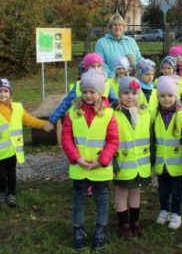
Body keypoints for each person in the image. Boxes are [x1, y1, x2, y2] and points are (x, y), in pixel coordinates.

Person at [61, 70, 119, 250]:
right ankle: (78, 228)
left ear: (100, 93)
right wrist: (76, 158)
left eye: (91, 92)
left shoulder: (108, 114)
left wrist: (101, 161)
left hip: (100, 168)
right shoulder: (72, 113)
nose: (87, 95)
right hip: (79, 167)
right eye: (84, 91)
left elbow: (113, 140)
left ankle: (100, 228)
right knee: (79, 199)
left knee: (102, 199)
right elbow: (66, 138)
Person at [0, 79, 51, 207]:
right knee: (1, 175)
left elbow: (29, 120)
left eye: (6, 91)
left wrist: (43, 125)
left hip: (13, 150)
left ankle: (11, 194)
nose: (3, 94)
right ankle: (2, 195)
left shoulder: (17, 107)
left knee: (12, 173)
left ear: (10, 93)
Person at [151, 76, 182, 230]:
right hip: (161, 162)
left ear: (177, 97)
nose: (166, 99)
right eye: (163, 96)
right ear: (158, 97)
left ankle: (176, 213)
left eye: (170, 95)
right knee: (162, 190)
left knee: (176, 191)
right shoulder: (154, 115)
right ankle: (164, 210)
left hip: (178, 163)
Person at [113, 77, 151, 238]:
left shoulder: (144, 113)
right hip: (122, 163)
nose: (130, 97)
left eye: (134, 93)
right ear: (119, 95)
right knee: (122, 193)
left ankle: (135, 221)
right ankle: (124, 224)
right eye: (126, 93)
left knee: (136, 192)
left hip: (140, 164)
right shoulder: (113, 114)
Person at [46, 53, 117, 130]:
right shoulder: (79, 85)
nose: (96, 68)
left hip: (101, 122)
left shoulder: (107, 84)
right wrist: (52, 120)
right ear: (86, 68)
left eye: (98, 66)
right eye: (92, 66)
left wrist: (106, 106)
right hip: (82, 123)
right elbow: (66, 103)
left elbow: (115, 102)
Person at [95, 13, 143, 77]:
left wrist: (141, 69)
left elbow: (139, 59)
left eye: (120, 25)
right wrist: (114, 75)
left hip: (131, 79)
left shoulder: (131, 41)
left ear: (123, 27)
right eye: (115, 25)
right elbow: (100, 63)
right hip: (111, 80)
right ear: (110, 27)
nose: (118, 27)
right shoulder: (101, 42)